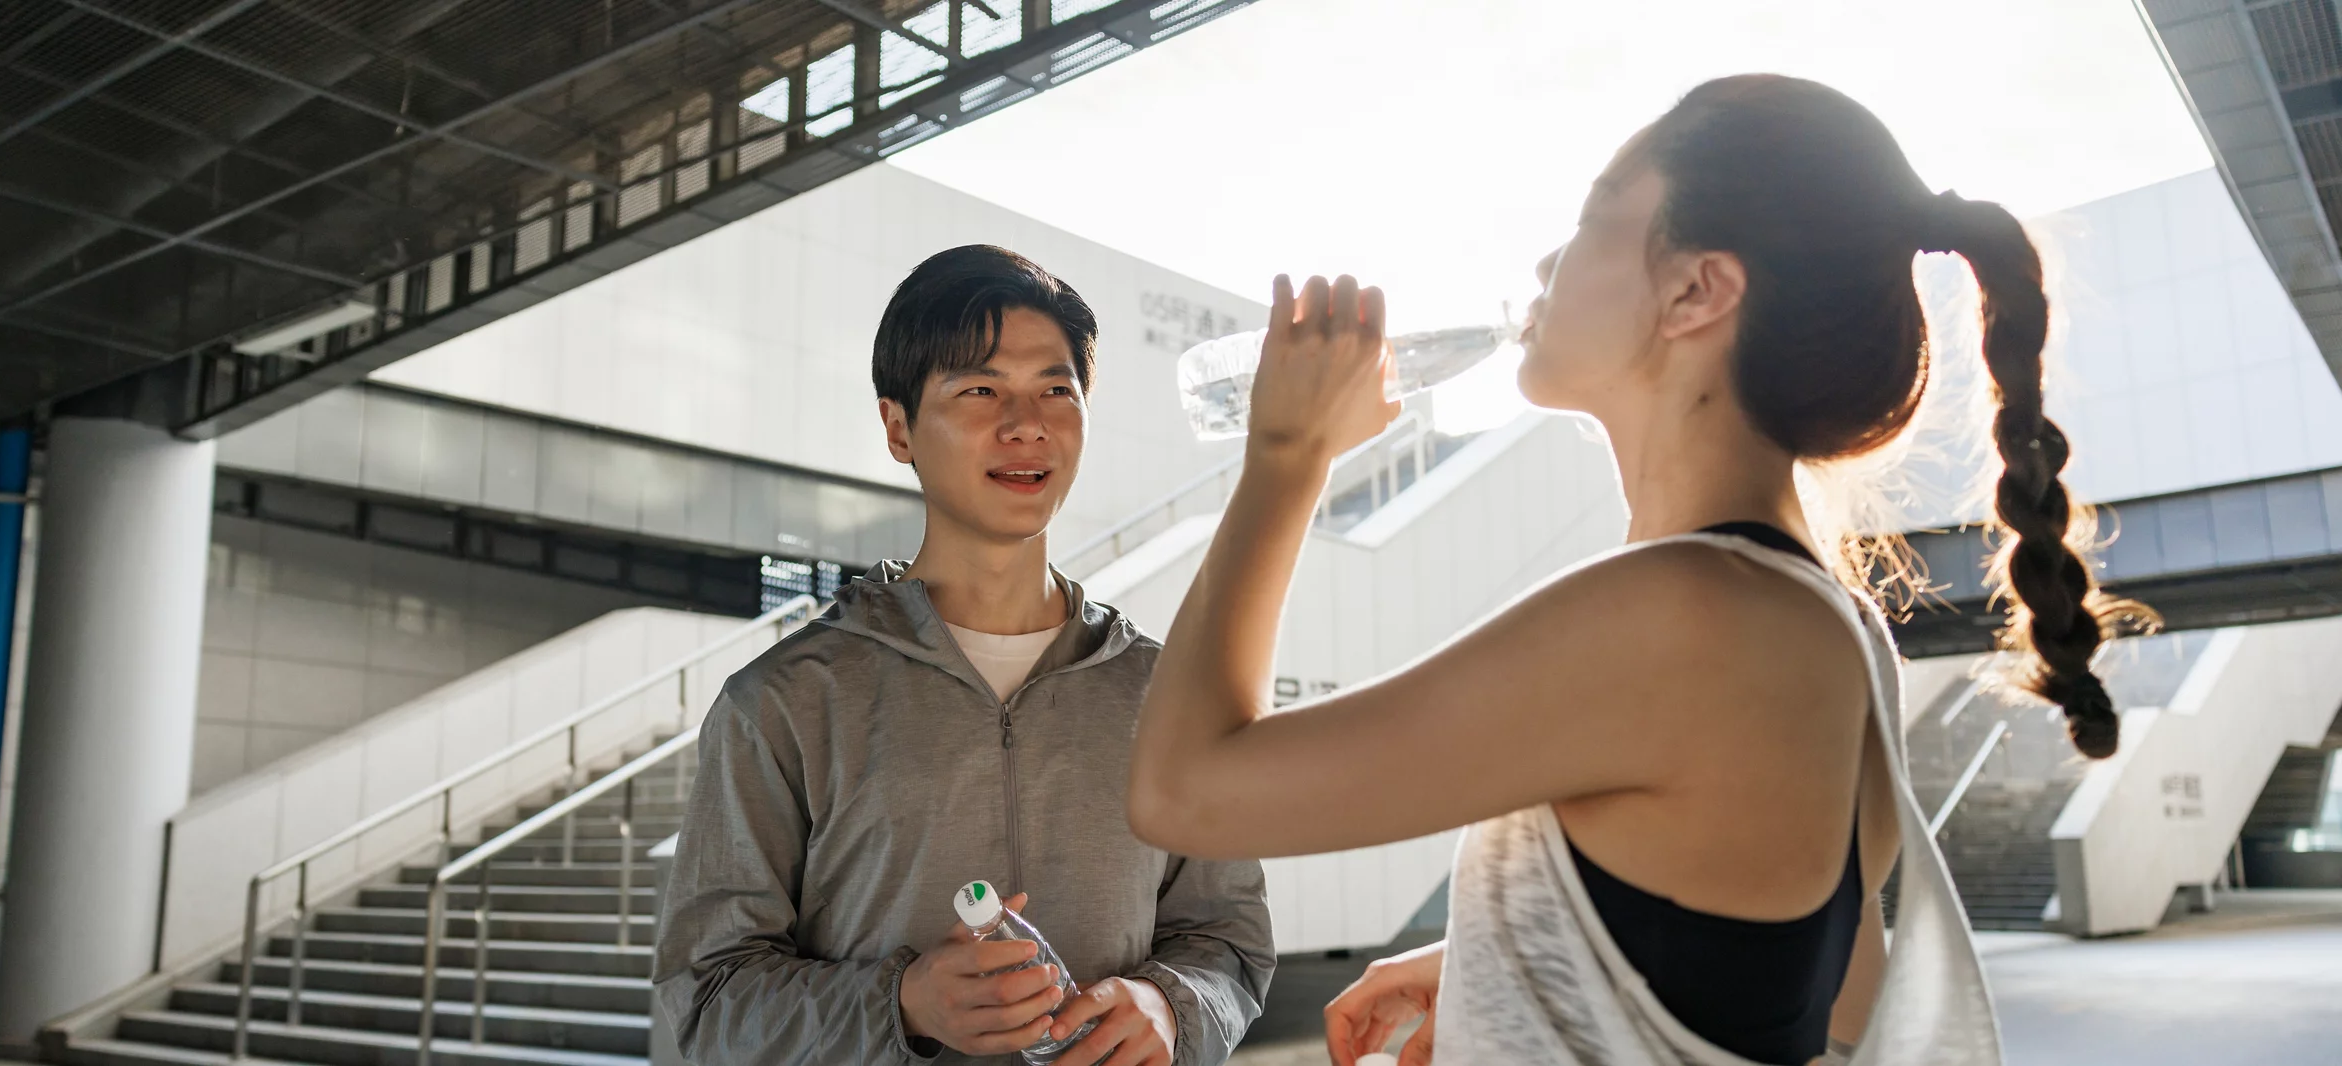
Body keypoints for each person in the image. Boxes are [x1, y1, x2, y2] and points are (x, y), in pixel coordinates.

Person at [1124, 75, 2150, 1066]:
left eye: (1592, 215)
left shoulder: (1675, 617)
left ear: (1696, 289)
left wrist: (1286, 457)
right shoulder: (1830, 623)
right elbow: (1816, 994)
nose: (1543, 262)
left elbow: (1182, 790)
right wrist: (1510, 965)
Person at [655, 244, 1274, 1066]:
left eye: (1057, 389)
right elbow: (699, 1007)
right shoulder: (784, 702)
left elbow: (1230, 943)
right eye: (980, 389)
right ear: (899, 427)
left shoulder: (1166, 693)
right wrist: (905, 1004)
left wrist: (1169, 1004)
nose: (1027, 424)